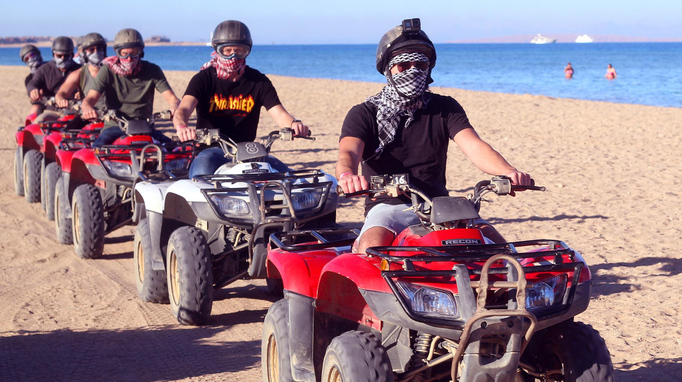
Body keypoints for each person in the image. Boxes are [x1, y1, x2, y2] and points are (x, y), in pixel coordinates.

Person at [336, 18, 531, 254]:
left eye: (420, 64)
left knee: (501, 251)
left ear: (429, 68)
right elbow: (348, 151)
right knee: (371, 250)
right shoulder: (365, 112)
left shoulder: (445, 108)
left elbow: (475, 146)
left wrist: (508, 172)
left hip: (441, 206)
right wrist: (347, 176)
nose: (413, 70)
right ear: (388, 68)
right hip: (388, 206)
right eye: (403, 65)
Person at [174, 20, 309, 178]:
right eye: (227, 50)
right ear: (217, 50)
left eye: (239, 51)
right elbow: (183, 109)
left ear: (248, 51)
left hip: (248, 152)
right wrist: (182, 127)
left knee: (289, 178)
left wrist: (294, 124)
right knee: (200, 176)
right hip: (210, 150)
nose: (233, 56)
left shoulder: (259, 81)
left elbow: (279, 114)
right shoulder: (203, 79)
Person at [81, 28, 180, 146]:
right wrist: (87, 108)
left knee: (173, 150)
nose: (129, 59)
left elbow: (172, 98)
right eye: (124, 54)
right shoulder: (107, 71)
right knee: (97, 150)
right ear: (117, 52)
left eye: (134, 54)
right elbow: (90, 98)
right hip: (115, 126)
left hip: (145, 127)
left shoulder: (153, 70)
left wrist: (174, 106)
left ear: (141, 52)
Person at [26, 36, 79, 120]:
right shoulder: (44, 69)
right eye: (59, 55)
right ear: (53, 54)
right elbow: (33, 82)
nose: (62, 58)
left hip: (77, 111)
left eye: (66, 55)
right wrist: (33, 90)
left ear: (72, 54)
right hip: (52, 110)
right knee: (39, 122)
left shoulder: (79, 70)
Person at [55, 32, 108, 113]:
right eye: (91, 50)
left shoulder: (114, 70)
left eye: (99, 48)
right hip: (89, 116)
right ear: (85, 53)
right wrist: (61, 99)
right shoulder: (79, 73)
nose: (96, 52)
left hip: (113, 118)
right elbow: (61, 92)